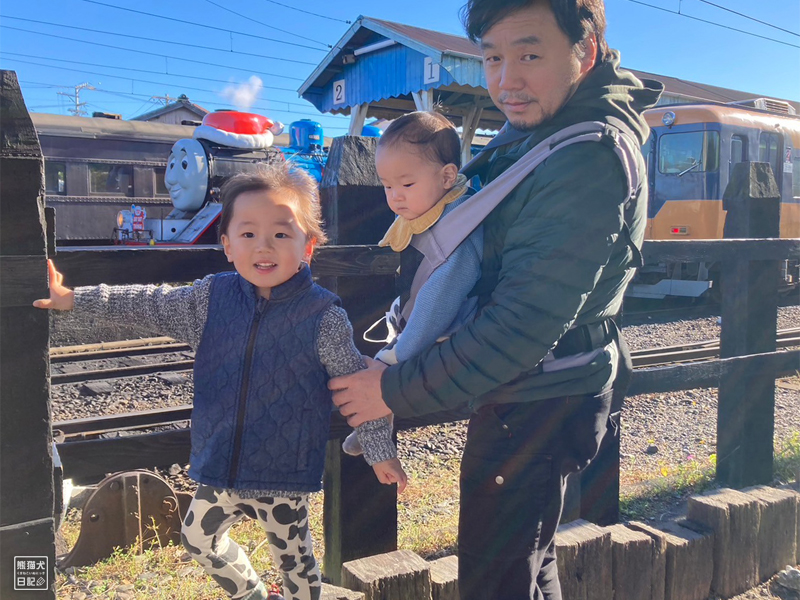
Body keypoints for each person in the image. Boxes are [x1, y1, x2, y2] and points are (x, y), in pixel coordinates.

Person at [328, 0, 663, 598]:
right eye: (493, 58)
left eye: (530, 55)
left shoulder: (586, 156)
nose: (507, 79)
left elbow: (524, 321)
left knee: (494, 580)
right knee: (528, 566)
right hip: (533, 390)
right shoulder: (542, 133)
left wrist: (390, 389)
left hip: (540, 396)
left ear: (583, 52)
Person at [34, 164, 407, 600]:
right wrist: (74, 299)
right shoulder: (210, 299)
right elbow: (146, 304)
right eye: (248, 234)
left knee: (296, 566)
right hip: (220, 466)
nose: (263, 247)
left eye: (281, 235)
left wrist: (380, 450)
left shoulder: (323, 316)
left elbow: (357, 386)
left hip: (281, 475)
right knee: (198, 541)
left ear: (308, 246)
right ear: (227, 244)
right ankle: (250, 594)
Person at [341, 110, 482, 458]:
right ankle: (375, 427)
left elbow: (438, 301)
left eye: (406, 184)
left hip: (447, 335)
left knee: (380, 373)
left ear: (448, 176)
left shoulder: (457, 231)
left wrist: (397, 354)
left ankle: (376, 428)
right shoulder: (432, 212)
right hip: (428, 325)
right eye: (387, 186)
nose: (395, 197)